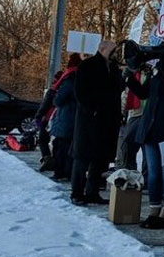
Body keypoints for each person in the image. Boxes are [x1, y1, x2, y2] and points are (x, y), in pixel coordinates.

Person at [129, 53, 164, 230]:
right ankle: (154, 210)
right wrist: (130, 77)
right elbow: (143, 93)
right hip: (151, 129)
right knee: (153, 172)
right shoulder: (157, 73)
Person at [71, 41, 123, 206]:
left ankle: (92, 192)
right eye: (112, 50)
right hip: (90, 120)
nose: (115, 53)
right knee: (83, 158)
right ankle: (77, 192)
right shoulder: (88, 65)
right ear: (102, 49)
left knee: (100, 159)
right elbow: (80, 92)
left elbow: (117, 89)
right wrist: (92, 110)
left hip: (107, 120)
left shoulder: (113, 68)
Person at [49, 54, 81, 182]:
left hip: (65, 118)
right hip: (74, 119)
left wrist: (54, 95)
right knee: (69, 149)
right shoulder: (80, 79)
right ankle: (67, 172)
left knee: (60, 148)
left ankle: (60, 172)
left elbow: (58, 100)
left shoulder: (68, 80)